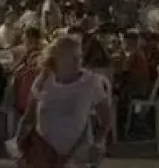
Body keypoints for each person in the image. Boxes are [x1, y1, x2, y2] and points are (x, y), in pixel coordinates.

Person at [15, 34, 111, 168]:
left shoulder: (91, 82)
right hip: (43, 152)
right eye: (71, 57)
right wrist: (20, 146)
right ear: (57, 58)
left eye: (79, 56)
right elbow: (28, 117)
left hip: (75, 154)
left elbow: (105, 119)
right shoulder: (43, 81)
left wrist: (98, 143)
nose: (77, 61)